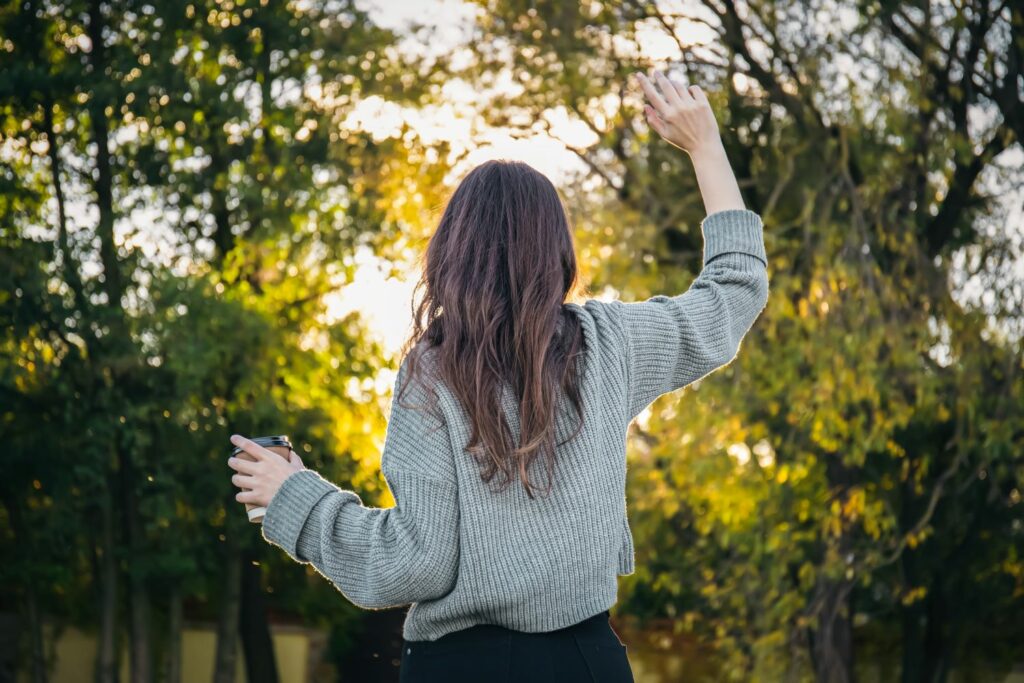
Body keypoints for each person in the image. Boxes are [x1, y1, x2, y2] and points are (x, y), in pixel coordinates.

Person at [226, 67, 769, 682]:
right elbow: (735, 289)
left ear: (450, 251)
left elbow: (416, 565)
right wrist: (706, 146)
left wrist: (298, 500)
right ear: (556, 251)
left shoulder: (430, 375)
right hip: (587, 666)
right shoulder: (609, 345)